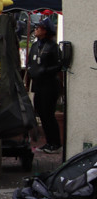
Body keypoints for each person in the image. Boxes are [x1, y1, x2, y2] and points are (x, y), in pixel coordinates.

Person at [27, 16, 62, 153]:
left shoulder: (53, 46)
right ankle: (48, 142)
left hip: (49, 84)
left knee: (48, 114)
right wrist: (31, 70)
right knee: (41, 113)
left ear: (46, 30)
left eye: (39, 28)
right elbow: (31, 61)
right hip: (38, 84)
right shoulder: (36, 45)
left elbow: (59, 65)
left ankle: (55, 143)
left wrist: (45, 70)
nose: (36, 29)